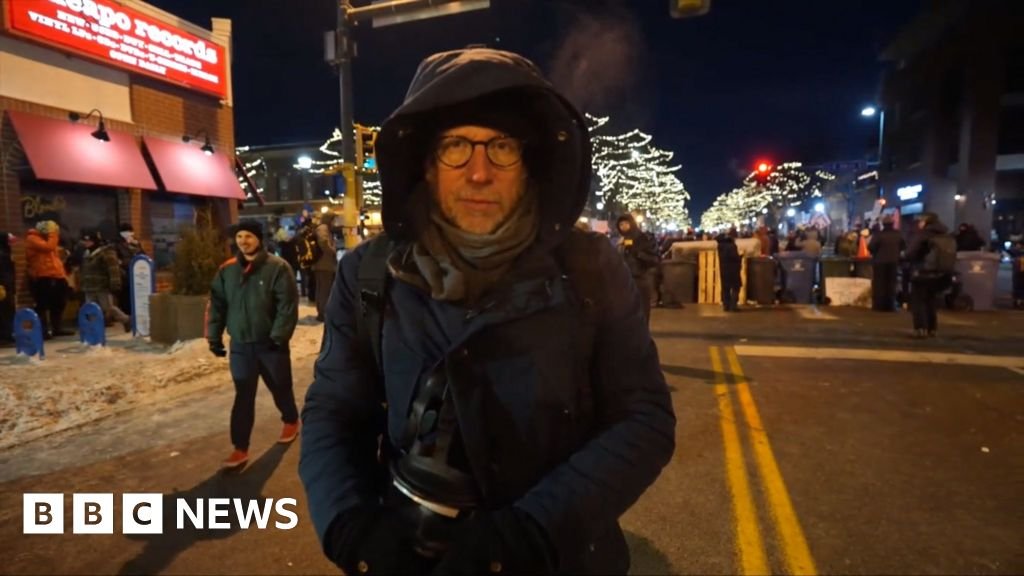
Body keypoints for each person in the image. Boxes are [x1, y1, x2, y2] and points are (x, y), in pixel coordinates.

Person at [299, 47, 675, 575]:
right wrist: (350, 526)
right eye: (456, 146)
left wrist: (528, 534)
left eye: (501, 147)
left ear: (530, 166)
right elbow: (335, 411)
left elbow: (643, 418)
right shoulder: (369, 275)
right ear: (426, 167)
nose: (479, 173)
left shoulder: (590, 270)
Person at [207, 220, 300, 469]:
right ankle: (240, 448)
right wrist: (214, 336)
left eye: (248, 236)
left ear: (259, 239)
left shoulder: (278, 268)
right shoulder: (227, 270)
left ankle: (291, 418)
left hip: (270, 345)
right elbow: (217, 305)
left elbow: (287, 306)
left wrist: (278, 337)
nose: (243, 241)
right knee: (243, 396)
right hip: (241, 346)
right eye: (239, 236)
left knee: (280, 387)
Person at [905, 212, 955, 338]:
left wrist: (905, 256)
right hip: (941, 273)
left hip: (923, 272)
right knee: (931, 300)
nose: (919, 223)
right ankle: (932, 328)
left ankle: (920, 328)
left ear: (926, 221)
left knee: (919, 300)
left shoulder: (923, 235)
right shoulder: (945, 234)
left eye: (921, 220)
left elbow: (911, 253)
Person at [25, 220, 72, 339]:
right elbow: (48, 247)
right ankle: (43, 331)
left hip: (57, 276)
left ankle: (57, 328)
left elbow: (54, 256)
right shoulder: (32, 238)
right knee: (42, 305)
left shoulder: (49, 240)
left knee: (58, 304)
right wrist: (52, 234)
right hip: (43, 276)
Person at [78, 230, 132, 331]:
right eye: (85, 241)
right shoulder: (86, 254)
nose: (87, 243)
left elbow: (113, 269)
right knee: (91, 308)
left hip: (102, 285)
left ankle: (126, 320)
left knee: (108, 308)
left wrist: (115, 284)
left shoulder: (105, 252)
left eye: (89, 241)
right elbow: (84, 270)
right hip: (89, 286)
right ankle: (94, 328)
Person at [616, 214, 660, 323]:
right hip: (622, 282)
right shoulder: (619, 241)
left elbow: (654, 259)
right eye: (621, 224)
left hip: (640, 280)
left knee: (641, 312)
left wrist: (637, 252)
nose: (624, 226)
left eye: (626, 223)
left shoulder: (644, 238)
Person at [868, 216, 905, 311]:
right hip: (894, 262)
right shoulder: (898, 234)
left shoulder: (879, 235)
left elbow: (871, 247)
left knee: (879, 284)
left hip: (880, 262)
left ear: (883, 224)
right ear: (892, 224)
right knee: (891, 283)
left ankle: (879, 306)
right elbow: (903, 246)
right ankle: (890, 305)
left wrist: (876, 253)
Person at [311, 215, 338, 322]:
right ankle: (323, 313)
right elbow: (323, 242)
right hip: (324, 264)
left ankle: (322, 311)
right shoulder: (323, 228)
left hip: (323, 265)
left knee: (322, 290)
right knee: (324, 291)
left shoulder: (323, 228)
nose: (334, 222)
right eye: (333, 219)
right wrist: (332, 250)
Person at [113, 223, 144, 313]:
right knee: (125, 301)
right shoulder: (117, 245)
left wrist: (136, 245)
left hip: (137, 277)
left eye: (131, 232)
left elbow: (143, 257)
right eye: (127, 232)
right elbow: (118, 261)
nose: (130, 234)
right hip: (125, 277)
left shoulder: (136, 244)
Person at [716, 228, 742, 312]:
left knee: (725, 288)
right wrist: (740, 257)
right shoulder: (732, 246)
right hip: (733, 269)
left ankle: (726, 305)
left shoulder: (720, 246)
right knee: (736, 286)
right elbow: (734, 257)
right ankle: (733, 306)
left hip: (723, 269)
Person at [0, 231, 15, 346]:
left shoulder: (5, 253)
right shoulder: (2, 254)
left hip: (6, 285)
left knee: (7, 311)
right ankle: (5, 336)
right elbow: (5, 273)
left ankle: (7, 335)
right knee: (5, 311)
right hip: (3, 287)